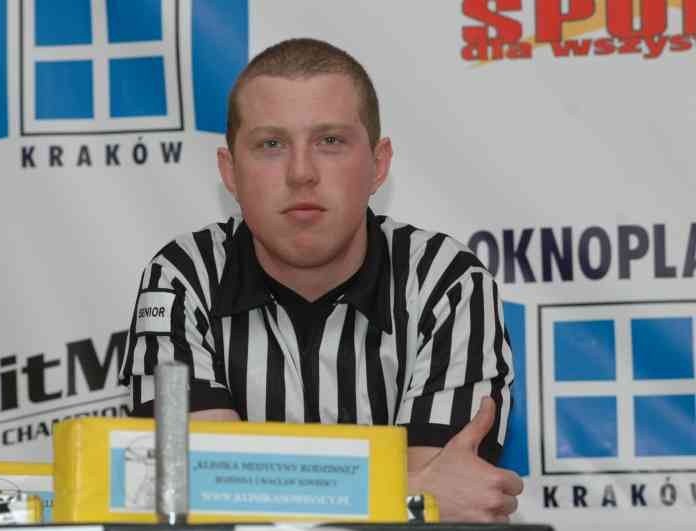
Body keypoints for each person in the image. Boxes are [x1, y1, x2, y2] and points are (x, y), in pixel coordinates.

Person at [120, 38, 523, 522]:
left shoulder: (446, 281)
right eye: (271, 144)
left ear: (378, 165)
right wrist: (404, 490)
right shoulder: (184, 278)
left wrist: (256, 483)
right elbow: (196, 491)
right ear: (230, 172)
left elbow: (446, 505)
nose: (301, 173)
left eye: (330, 141)